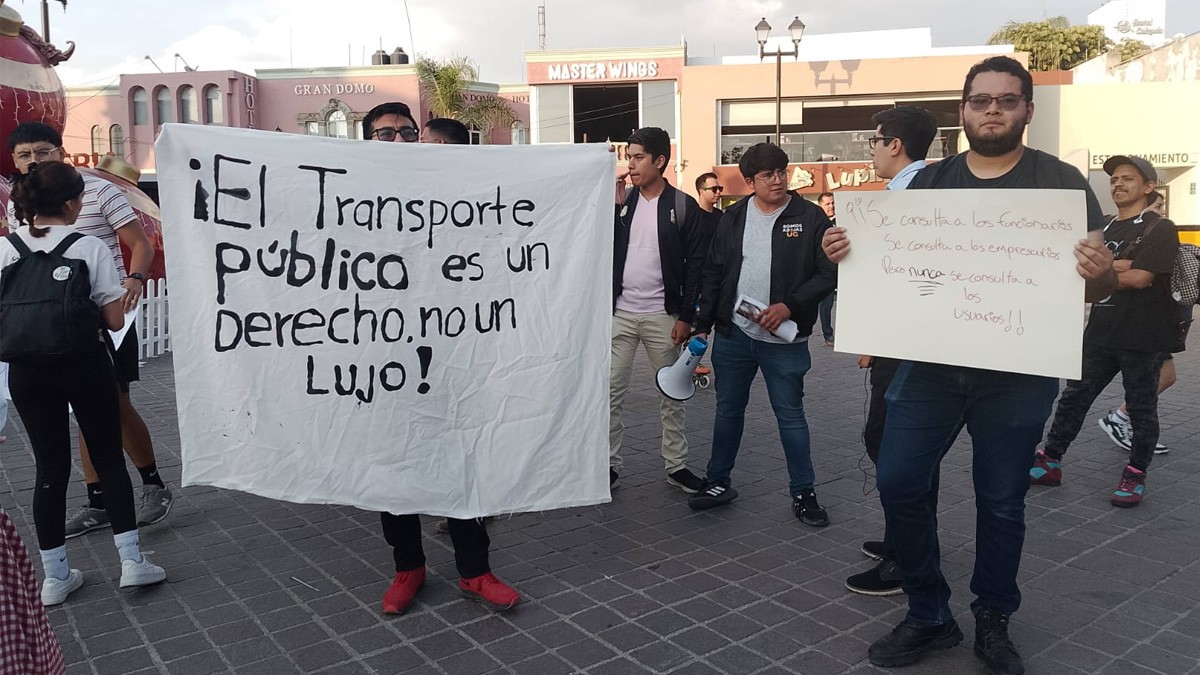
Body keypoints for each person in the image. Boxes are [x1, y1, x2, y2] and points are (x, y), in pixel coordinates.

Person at [822, 56, 1116, 674]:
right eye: (981, 101)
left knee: (1002, 500)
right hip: (930, 367)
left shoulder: (1061, 182)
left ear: (1027, 109)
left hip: (1018, 371)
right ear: (963, 111)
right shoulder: (929, 182)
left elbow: (1094, 286)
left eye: (1007, 100)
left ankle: (993, 617)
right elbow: (892, 263)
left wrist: (1101, 273)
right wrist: (846, 250)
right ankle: (929, 612)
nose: (993, 111)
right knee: (899, 480)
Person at [363, 103, 519, 615]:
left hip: (454, 354)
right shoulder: (354, 200)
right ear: (366, 142)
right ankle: (408, 567)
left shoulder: (460, 198)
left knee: (461, 458)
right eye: (385, 134)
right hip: (383, 357)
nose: (399, 141)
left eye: (408, 132)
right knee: (394, 465)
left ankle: (475, 570)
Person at [3, 161, 166, 606]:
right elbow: (113, 318)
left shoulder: (5, 249)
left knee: (48, 468)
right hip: (83, 364)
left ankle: (55, 576)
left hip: (26, 371)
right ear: (73, 203)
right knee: (109, 459)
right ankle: (131, 562)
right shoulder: (87, 247)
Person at [688, 142, 836, 527]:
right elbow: (714, 272)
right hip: (734, 336)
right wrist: (703, 323)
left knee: (791, 417)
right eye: (768, 175)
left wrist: (790, 306)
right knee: (727, 411)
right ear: (750, 182)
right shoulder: (733, 217)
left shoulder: (810, 217)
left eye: (781, 172)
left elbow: (828, 273)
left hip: (784, 341)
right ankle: (717, 482)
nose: (777, 180)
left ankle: (803, 492)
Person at [1031, 156, 1179, 507]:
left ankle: (1135, 473)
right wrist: (1117, 266)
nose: (1118, 184)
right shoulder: (1106, 227)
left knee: (1141, 408)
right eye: (1114, 179)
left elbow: (1140, 278)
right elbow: (1076, 271)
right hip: (1101, 330)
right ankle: (1051, 460)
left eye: (1128, 178)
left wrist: (1103, 271)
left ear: (1148, 186)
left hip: (1142, 336)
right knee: (1073, 399)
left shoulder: (1160, 227)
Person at [844, 105, 939, 598]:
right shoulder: (909, 190)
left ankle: (907, 557)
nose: (873, 151)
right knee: (897, 443)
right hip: (899, 341)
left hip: (908, 345)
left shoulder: (914, 194)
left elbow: (902, 275)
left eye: (875, 141)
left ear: (895, 144)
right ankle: (903, 539)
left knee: (895, 445)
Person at [609, 127, 708, 494]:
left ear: (660, 161)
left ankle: (676, 465)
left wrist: (687, 317)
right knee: (609, 392)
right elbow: (598, 246)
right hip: (619, 313)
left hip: (663, 316)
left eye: (638, 158)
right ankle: (608, 465)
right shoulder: (622, 201)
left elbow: (696, 266)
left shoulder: (683, 206)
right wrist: (612, 207)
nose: (631, 165)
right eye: (629, 157)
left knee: (671, 394)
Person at [1096, 189, 1177, 455]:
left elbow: (1145, 268)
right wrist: (1130, 265)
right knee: (1153, 381)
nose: (1161, 211)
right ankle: (1121, 421)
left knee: (1167, 377)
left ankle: (1121, 420)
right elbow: (1138, 274)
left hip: (1158, 320)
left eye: (1162, 206)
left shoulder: (1159, 231)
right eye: (1157, 206)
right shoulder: (1126, 228)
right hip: (1134, 323)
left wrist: (1129, 264)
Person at [816, 192, 837, 346]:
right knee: (826, 304)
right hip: (824, 271)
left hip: (843, 270)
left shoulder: (842, 221)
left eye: (833, 203)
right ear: (820, 205)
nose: (831, 206)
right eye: (827, 204)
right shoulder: (816, 223)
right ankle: (828, 334)